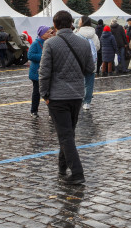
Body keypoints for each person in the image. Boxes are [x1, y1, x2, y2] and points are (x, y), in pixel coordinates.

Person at [39, 10, 95, 185]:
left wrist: (44, 94)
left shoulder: (51, 43)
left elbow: (44, 72)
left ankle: (77, 173)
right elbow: (90, 69)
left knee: (65, 135)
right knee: (68, 133)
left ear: (55, 25)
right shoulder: (84, 43)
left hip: (57, 96)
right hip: (77, 95)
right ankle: (62, 167)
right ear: (71, 23)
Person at [76, 16, 100, 110]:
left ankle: (80, 99)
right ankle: (87, 103)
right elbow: (97, 47)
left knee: (79, 81)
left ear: (82, 23)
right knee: (89, 83)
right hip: (92, 61)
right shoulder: (94, 35)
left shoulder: (77, 34)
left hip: (79, 61)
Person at [28, 26, 52, 117]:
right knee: (37, 93)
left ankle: (51, 112)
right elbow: (30, 55)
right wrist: (43, 57)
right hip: (36, 73)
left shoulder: (49, 42)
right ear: (42, 34)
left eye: (50, 32)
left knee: (49, 93)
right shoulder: (35, 43)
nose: (50, 33)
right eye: (48, 32)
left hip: (47, 72)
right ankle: (34, 111)